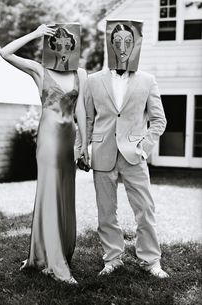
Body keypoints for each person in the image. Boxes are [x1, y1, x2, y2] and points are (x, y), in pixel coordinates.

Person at [0, 24, 88, 285]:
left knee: (64, 193)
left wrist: (84, 144)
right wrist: (37, 33)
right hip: (48, 138)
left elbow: (80, 110)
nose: (62, 48)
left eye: (66, 44)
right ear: (51, 46)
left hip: (69, 138)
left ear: (72, 47)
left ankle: (54, 252)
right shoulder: (40, 70)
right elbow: (5, 53)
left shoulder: (80, 73)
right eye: (56, 44)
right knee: (49, 193)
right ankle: (55, 264)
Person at [84, 20, 169, 278]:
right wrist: (83, 149)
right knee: (106, 212)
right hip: (102, 154)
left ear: (135, 45)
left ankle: (151, 261)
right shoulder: (93, 80)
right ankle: (112, 259)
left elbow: (159, 121)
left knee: (145, 211)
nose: (122, 46)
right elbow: (88, 119)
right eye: (117, 41)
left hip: (134, 156)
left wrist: (144, 147)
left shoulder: (147, 80)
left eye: (128, 42)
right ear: (110, 43)